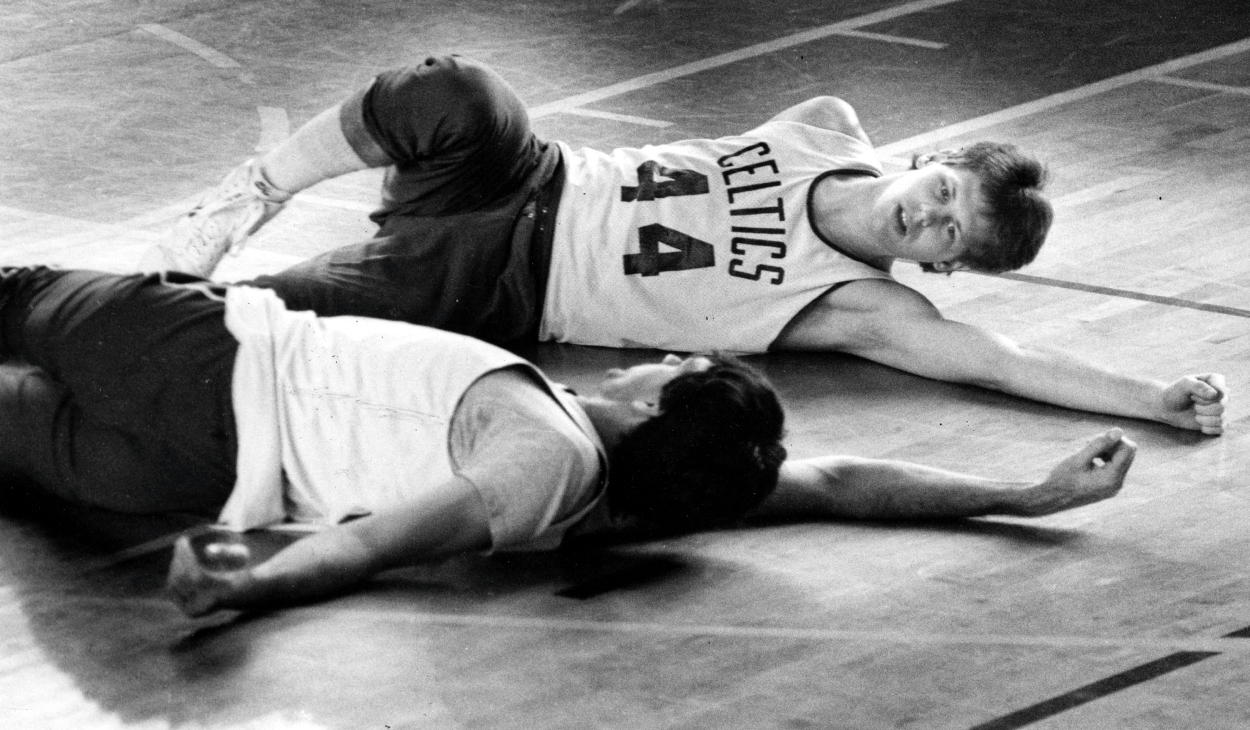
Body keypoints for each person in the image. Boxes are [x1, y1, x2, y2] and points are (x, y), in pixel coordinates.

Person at [138, 56, 1228, 437]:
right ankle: (252, 191)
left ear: (943, 265)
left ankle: (122, 309)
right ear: (928, 157)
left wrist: (1148, 396)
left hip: (502, 282)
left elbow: (1008, 363)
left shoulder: (866, 309)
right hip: (527, 174)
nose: (926, 216)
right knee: (457, 86)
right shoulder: (827, 122)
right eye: (940, 189)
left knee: (258, 321)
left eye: (949, 234)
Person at [0, 265, 1134, 617]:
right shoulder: (653, 492)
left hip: (193, 352)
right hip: (165, 472)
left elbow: (369, 549)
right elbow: (834, 479)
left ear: (650, 407)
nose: (649, 358)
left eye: (670, 368)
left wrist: (238, 583)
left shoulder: (533, 449)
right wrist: (1024, 493)